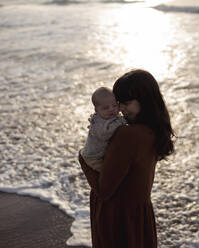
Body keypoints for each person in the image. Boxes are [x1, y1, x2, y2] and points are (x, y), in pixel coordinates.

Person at [78, 69, 174, 248]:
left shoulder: (127, 134)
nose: (120, 109)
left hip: (116, 218)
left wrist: (83, 159)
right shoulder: (154, 130)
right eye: (119, 102)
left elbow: (105, 190)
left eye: (126, 102)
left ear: (144, 100)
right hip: (140, 217)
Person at [81, 87, 127, 172]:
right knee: (109, 172)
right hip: (93, 157)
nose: (111, 109)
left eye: (114, 105)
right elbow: (105, 134)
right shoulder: (98, 122)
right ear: (96, 110)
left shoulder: (110, 116)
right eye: (106, 108)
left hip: (101, 154)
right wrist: (122, 122)